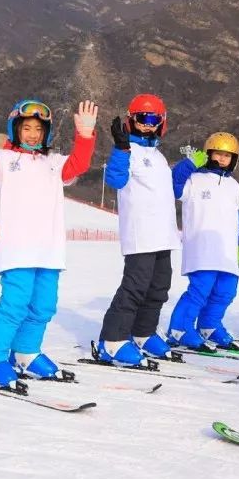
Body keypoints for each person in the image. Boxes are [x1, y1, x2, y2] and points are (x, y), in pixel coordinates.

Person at [0, 98, 98, 387]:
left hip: (49, 251)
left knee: (43, 306)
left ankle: (26, 353)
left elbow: (79, 164)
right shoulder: (3, 161)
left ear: (47, 134)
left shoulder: (53, 163)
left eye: (38, 130)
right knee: (14, 306)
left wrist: (85, 135)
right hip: (17, 251)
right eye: (26, 128)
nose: (32, 134)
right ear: (15, 129)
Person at [95, 94, 179, 365]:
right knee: (135, 287)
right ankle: (113, 340)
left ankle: (143, 332)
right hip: (141, 233)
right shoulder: (127, 151)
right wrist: (120, 148)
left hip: (163, 234)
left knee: (159, 288)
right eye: (142, 119)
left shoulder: (159, 157)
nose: (147, 125)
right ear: (132, 121)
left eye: (153, 119)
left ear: (162, 123)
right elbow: (116, 180)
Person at [164, 132, 239, 351]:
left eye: (227, 156)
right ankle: (180, 329)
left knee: (227, 290)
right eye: (218, 154)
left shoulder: (234, 186)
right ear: (208, 154)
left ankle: (209, 325)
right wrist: (190, 164)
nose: (222, 159)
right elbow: (174, 184)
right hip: (202, 247)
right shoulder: (194, 179)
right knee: (200, 290)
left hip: (227, 250)